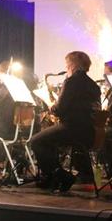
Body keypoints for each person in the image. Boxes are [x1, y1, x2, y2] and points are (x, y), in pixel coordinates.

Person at [30, 51, 100, 192]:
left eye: (67, 65)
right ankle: (50, 178)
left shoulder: (71, 81)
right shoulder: (93, 85)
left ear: (72, 65)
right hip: (90, 131)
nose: (66, 68)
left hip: (72, 128)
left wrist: (51, 105)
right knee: (49, 140)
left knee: (36, 141)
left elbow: (59, 110)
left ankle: (61, 176)